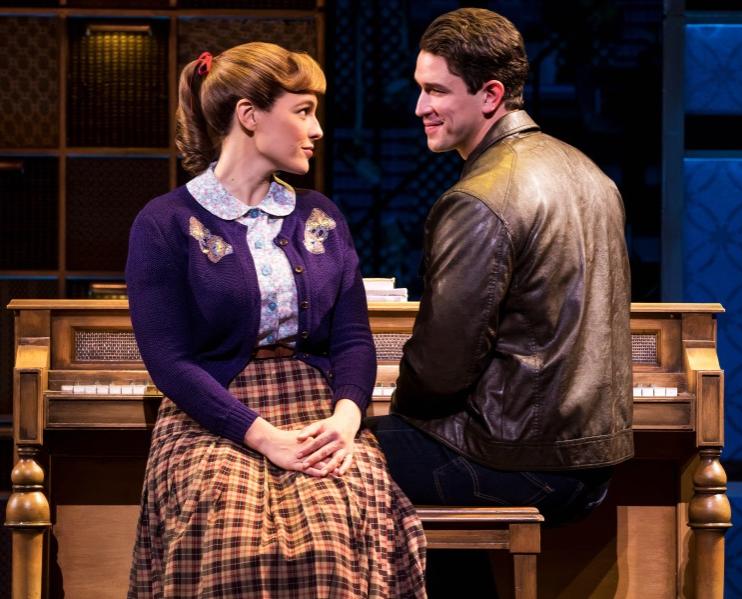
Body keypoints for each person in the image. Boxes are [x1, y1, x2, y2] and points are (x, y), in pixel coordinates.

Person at [125, 42, 426, 598]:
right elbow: (168, 360)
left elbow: (353, 337)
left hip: (315, 405)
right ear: (249, 116)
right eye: (303, 110)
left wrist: (345, 420)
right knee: (226, 528)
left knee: (338, 520)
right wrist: (264, 438)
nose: (317, 129)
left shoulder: (321, 216)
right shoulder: (165, 223)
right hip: (214, 413)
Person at [366, 8, 633, 527]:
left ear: (490, 95)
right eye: (421, 89)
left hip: (515, 458)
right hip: (590, 458)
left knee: (326, 464)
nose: (420, 106)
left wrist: (396, 406)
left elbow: (440, 372)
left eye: (438, 91)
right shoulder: (589, 173)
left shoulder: (478, 198)